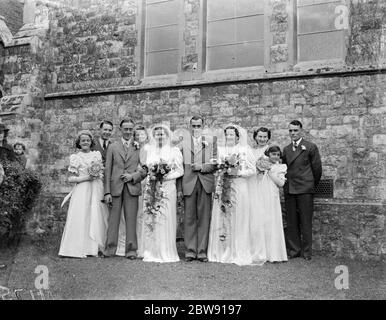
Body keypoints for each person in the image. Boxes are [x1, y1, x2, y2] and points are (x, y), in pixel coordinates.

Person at [208, 125, 264, 266]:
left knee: (239, 217)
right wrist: (222, 170)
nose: (229, 137)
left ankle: (238, 250)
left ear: (238, 137)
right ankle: (223, 249)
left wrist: (238, 173)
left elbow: (252, 170)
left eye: (232, 135)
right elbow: (215, 167)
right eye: (227, 134)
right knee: (224, 216)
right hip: (224, 186)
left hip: (240, 185)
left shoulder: (245, 150)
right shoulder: (220, 150)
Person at [59, 130, 108, 258]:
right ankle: (77, 247)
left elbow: (101, 172)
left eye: (88, 140)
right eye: (83, 141)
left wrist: (97, 175)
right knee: (81, 216)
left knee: (95, 215)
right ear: (79, 143)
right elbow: (70, 178)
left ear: (91, 142)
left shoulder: (96, 154)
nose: (85, 142)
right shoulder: (75, 157)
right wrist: (87, 178)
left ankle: (93, 248)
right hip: (82, 189)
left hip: (96, 188)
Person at [103, 119, 147, 259]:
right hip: (115, 188)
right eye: (125, 129)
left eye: (130, 129)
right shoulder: (112, 146)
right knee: (113, 220)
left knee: (131, 220)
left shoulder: (139, 147)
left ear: (133, 130)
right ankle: (110, 250)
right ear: (120, 130)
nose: (128, 132)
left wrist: (133, 176)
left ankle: (131, 250)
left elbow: (146, 169)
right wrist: (107, 192)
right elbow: (108, 170)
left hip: (132, 187)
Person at [140, 124, 184, 263]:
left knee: (164, 216)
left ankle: (165, 250)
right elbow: (148, 169)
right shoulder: (150, 150)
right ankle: (151, 250)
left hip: (167, 187)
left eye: (162, 134)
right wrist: (153, 177)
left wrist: (164, 177)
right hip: (152, 186)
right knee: (151, 216)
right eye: (157, 134)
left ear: (167, 135)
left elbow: (180, 171)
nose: (160, 136)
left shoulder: (174, 150)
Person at [178, 116, 217, 262]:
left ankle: (201, 251)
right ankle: (190, 250)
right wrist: (179, 188)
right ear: (190, 126)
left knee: (204, 217)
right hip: (188, 183)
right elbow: (178, 166)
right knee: (189, 218)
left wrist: (202, 167)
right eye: (193, 126)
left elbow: (215, 162)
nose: (196, 129)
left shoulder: (211, 141)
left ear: (203, 126)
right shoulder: (183, 143)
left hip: (205, 182)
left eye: (198, 126)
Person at [282, 120, 322, 261]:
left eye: (295, 130)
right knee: (292, 222)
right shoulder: (286, 150)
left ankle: (306, 252)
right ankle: (294, 250)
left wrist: (310, 185)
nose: (293, 133)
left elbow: (317, 170)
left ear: (301, 131)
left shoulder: (310, 147)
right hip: (291, 189)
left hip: (305, 189)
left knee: (305, 221)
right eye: (291, 131)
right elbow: (283, 169)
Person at [116, 125, 149, 258]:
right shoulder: (133, 148)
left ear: (146, 136)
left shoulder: (146, 149)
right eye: (137, 135)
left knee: (141, 215)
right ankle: (125, 244)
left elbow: (145, 167)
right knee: (129, 216)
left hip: (144, 182)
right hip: (133, 183)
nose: (140, 137)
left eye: (143, 135)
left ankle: (141, 245)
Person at [259, 145, 288, 262]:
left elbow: (281, 183)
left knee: (272, 221)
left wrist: (270, 172)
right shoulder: (262, 164)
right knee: (263, 220)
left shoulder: (280, 167)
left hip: (272, 195)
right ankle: (262, 251)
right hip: (262, 194)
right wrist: (263, 169)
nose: (275, 156)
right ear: (268, 155)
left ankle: (274, 253)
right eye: (273, 154)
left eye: (277, 154)